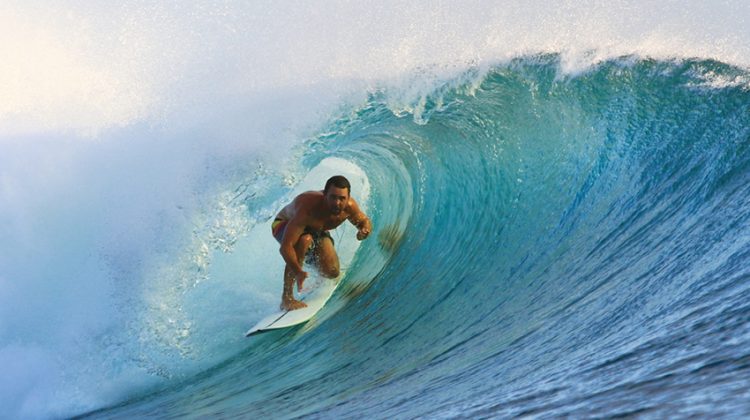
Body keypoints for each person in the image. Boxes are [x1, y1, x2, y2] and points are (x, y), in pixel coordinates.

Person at [271, 175, 372, 310]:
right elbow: (286, 247)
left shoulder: (349, 208)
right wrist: (297, 271)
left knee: (332, 272)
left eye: (342, 198)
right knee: (304, 240)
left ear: (348, 197)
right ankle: (287, 298)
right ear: (325, 195)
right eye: (333, 197)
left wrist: (364, 231)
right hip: (283, 224)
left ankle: (314, 264)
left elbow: (364, 221)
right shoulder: (307, 208)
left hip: (314, 229)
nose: (337, 203)